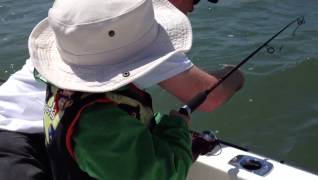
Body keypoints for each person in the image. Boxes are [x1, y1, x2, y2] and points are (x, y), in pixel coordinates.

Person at [0, 0, 244, 179]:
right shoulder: (124, 36)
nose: (195, 7)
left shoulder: (89, 28)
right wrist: (177, 128)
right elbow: (158, 174)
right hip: (14, 140)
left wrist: (160, 126)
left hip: (52, 139)